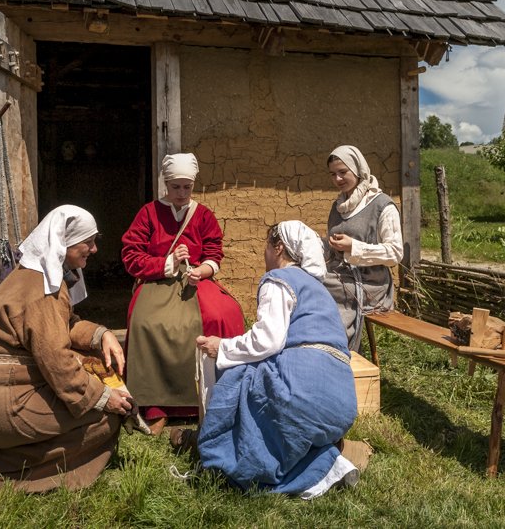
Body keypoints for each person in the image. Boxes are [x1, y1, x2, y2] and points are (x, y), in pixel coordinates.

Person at [0, 205, 133, 495]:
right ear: (64, 244)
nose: (93, 249)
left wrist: (101, 335)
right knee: (106, 418)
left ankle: (8, 453)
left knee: (91, 383)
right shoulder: (41, 288)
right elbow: (58, 363)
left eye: (95, 240)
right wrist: (104, 398)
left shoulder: (33, 274)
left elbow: (61, 326)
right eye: (87, 242)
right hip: (4, 404)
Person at [195, 221, 359, 499]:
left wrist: (221, 347)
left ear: (278, 247)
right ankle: (332, 464)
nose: (264, 255)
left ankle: (221, 453)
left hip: (302, 398)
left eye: (266, 247)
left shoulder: (279, 280)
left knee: (238, 375)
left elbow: (267, 340)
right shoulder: (320, 290)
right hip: (342, 406)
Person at [121, 152, 244, 435]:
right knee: (147, 322)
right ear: (166, 183)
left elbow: (214, 251)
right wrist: (169, 262)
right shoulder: (149, 213)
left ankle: (211, 400)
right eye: (175, 186)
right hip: (157, 279)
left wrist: (203, 271)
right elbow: (131, 257)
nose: (181, 193)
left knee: (223, 314)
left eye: (186, 187)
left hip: (195, 279)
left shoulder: (202, 215)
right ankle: (155, 406)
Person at [323, 145, 404, 351]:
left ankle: (341, 352)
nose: (338, 179)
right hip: (340, 276)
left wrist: (354, 247)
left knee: (328, 295)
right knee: (310, 286)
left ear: (358, 170)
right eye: (333, 174)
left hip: (370, 283)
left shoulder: (382, 205)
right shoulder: (338, 206)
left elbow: (395, 253)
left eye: (343, 172)